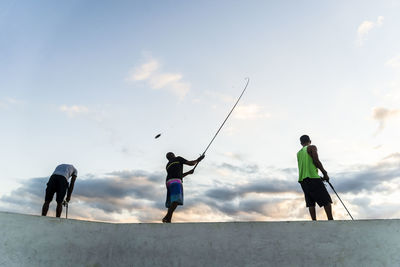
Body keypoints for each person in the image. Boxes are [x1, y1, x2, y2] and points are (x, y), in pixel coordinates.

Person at [297, 135, 333, 220]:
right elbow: (316, 161)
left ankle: (314, 222)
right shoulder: (312, 147)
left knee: (310, 202)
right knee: (326, 200)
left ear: (301, 143)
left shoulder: (298, 153)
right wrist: (325, 173)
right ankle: (331, 220)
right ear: (310, 141)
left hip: (303, 180)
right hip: (313, 178)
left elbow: (306, 166)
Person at [162, 152, 205, 223]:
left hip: (168, 183)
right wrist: (198, 159)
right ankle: (167, 217)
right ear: (173, 155)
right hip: (176, 181)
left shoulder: (168, 165)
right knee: (176, 199)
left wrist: (188, 173)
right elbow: (191, 163)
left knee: (172, 202)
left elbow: (179, 175)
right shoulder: (178, 158)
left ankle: (169, 220)